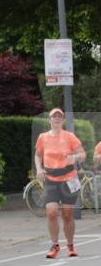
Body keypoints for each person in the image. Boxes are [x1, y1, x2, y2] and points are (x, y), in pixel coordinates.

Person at [35, 108, 86, 258]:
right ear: (49, 120)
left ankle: (70, 245)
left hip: (68, 178)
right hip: (51, 179)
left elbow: (82, 153)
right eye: (54, 116)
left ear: (63, 120)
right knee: (51, 212)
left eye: (59, 117)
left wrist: (75, 158)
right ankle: (55, 245)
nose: (56, 119)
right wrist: (38, 169)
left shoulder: (69, 137)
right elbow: (38, 155)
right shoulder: (42, 137)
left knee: (67, 214)